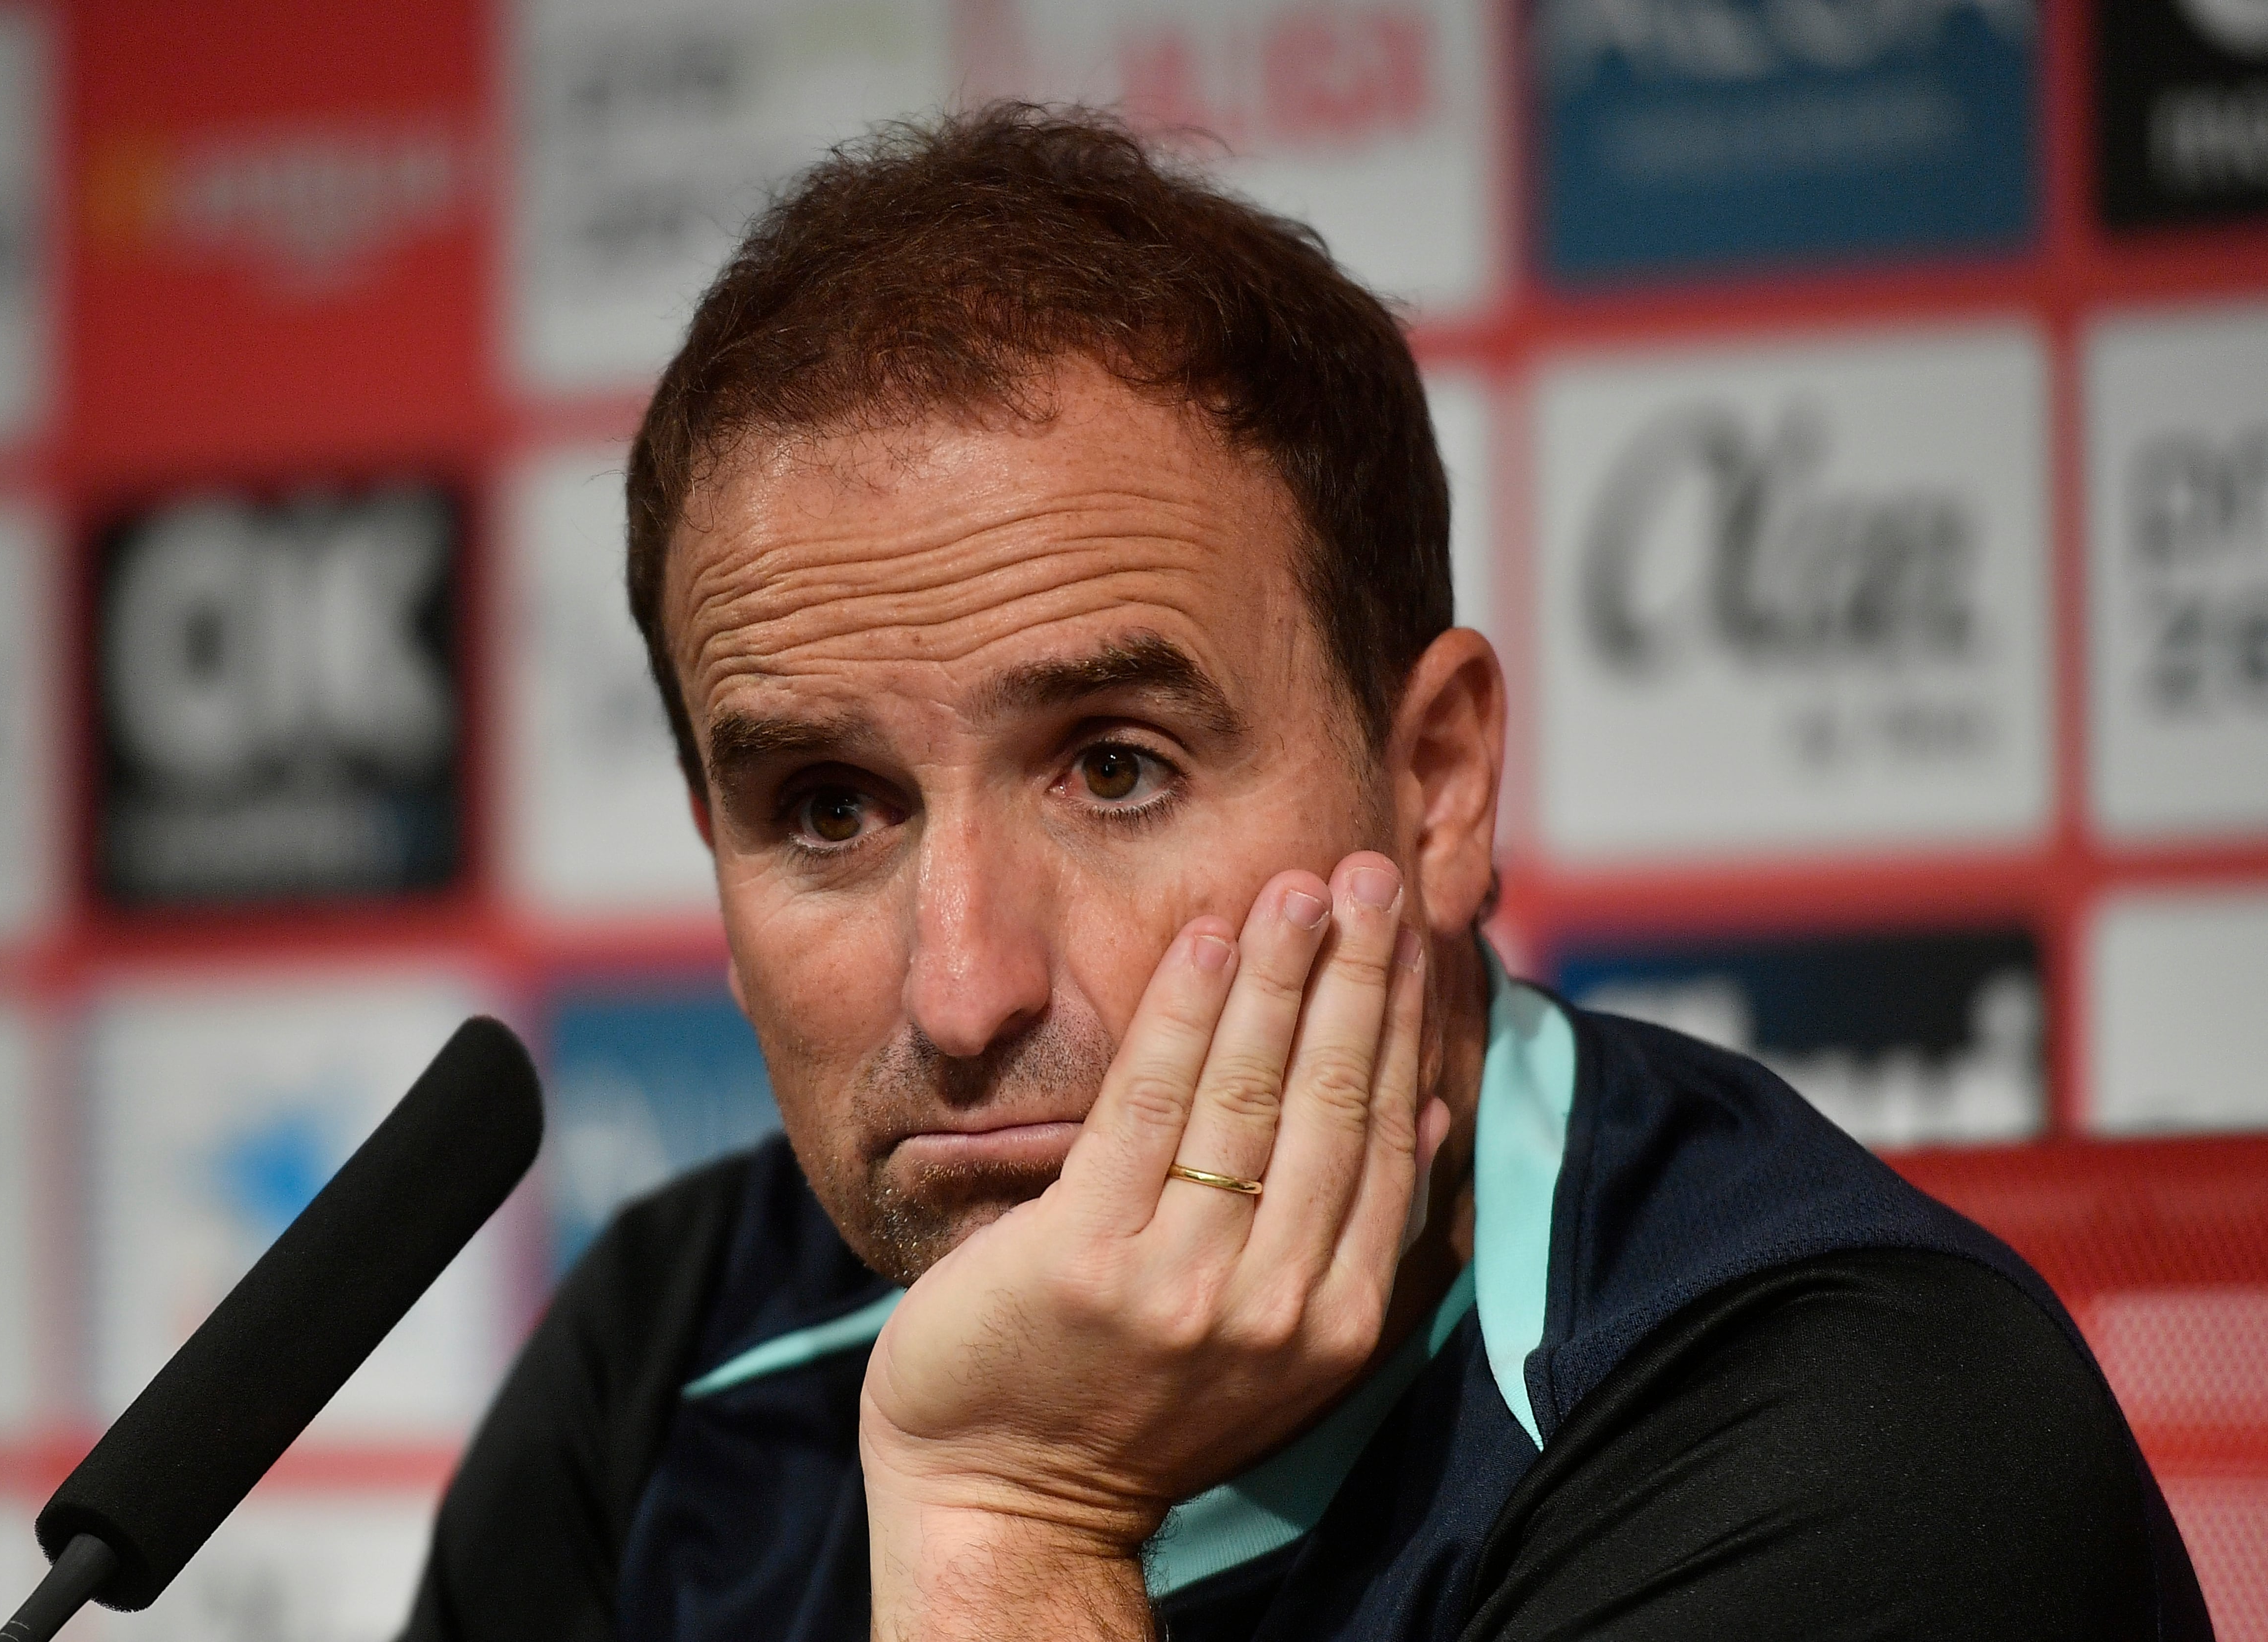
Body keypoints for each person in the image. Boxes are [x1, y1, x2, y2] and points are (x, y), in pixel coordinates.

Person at [401, 107, 2211, 1641]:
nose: (962, 993)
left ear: (1435, 787)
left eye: (1117, 769)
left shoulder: (1859, 1441)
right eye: (827, 809)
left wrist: (1011, 1521)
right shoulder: (669, 1355)